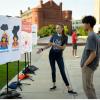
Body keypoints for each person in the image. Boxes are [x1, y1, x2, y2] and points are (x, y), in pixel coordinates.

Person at [37, 24, 77, 95]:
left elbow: (63, 48)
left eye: (58, 28)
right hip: (51, 55)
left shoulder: (65, 37)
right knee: (53, 70)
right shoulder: (54, 35)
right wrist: (42, 49)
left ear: (62, 29)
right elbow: (49, 44)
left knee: (62, 71)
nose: (57, 29)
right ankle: (54, 85)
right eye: (56, 28)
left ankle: (69, 88)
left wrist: (55, 45)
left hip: (59, 56)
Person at [80, 16, 100, 99]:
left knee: (87, 88)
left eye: (84, 23)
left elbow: (93, 54)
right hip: (91, 65)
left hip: (89, 66)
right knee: (90, 86)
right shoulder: (94, 35)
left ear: (88, 24)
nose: (83, 25)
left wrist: (85, 64)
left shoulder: (91, 36)